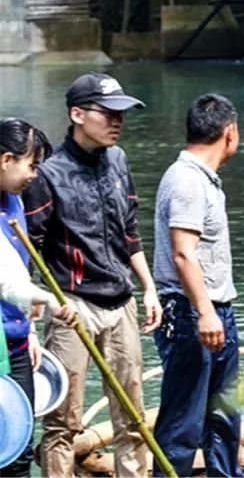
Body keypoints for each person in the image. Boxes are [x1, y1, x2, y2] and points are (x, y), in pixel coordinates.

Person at [22, 73, 160, 478]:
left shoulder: (117, 160)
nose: (118, 122)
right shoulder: (47, 174)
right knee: (63, 422)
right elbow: (29, 249)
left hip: (122, 302)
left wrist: (149, 289)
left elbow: (130, 232)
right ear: (77, 114)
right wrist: (34, 318)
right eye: (109, 113)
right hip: (73, 306)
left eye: (122, 114)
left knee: (133, 417)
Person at [152, 94, 242, 477]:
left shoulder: (203, 179)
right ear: (229, 133)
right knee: (183, 420)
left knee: (222, 413)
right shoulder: (187, 180)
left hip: (215, 310)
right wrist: (205, 312)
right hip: (191, 312)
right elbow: (183, 254)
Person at [0, 119, 77, 478]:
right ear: (5, 160)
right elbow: (5, 282)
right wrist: (49, 300)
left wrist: (29, 330)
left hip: (16, 344)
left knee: (18, 446)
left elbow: (20, 271)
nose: (35, 175)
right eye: (31, 165)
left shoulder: (14, 200)